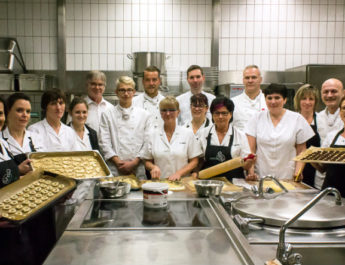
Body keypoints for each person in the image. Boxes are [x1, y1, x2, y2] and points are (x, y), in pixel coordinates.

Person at [245, 83, 315, 180]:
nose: (273, 101)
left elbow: (302, 150)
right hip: (261, 175)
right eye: (269, 98)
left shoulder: (297, 119)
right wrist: (251, 172)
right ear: (265, 100)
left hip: (287, 176)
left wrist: (298, 172)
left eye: (277, 98)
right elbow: (251, 150)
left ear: (285, 100)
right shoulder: (257, 118)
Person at [99, 76, 151, 179]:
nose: (126, 94)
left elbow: (148, 142)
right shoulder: (107, 114)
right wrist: (118, 162)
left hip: (137, 168)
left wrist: (134, 163)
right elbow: (104, 142)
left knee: (138, 194)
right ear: (116, 92)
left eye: (129, 90)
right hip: (115, 168)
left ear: (134, 92)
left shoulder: (144, 115)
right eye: (122, 90)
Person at [141, 96, 202, 180]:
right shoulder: (152, 134)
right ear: (160, 113)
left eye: (171, 110)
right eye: (164, 110)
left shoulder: (187, 133)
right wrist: (153, 167)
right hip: (160, 182)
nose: (168, 113)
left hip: (182, 182)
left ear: (178, 112)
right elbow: (147, 160)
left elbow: (194, 161)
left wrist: (179, 173)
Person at [198, 96, 256, 181]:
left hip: (234, 183)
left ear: (231, 114)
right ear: (212, 115)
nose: (220, 116)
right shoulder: (203, 133)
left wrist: (249, 165)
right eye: (217, 113)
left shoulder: (240, 135)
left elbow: (245, 165)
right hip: (209, 183)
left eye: (224, 113)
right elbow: (198, 161)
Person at [314, 78, 344, 189]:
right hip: (321, 179)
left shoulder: (343, 117)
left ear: (343, 93)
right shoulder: (318, 116)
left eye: (334, 91)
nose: (329, 95)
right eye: (325, 92)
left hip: (341, 178)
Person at [1, 93, 44, 166]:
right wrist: (18, 171)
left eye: (28, 111)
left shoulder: (36, 138)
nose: (25, 115)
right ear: (7, 112)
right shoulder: (1, 138)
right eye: (19, 110)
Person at [293, 84, 321, 187]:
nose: (307, 102)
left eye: (311, 99)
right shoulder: (292, 119)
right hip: (294, 167)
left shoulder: (321, 120)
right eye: (304, 98)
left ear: (316, 101)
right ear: (298, 100)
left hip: (316, 170)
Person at [232, 65, 267, 132]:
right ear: (243, 80)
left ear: (260, 79)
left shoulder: (268, 102)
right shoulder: (233, 102)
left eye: (254, 77)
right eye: (247, 78)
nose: (250, 81)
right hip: (240, 142)